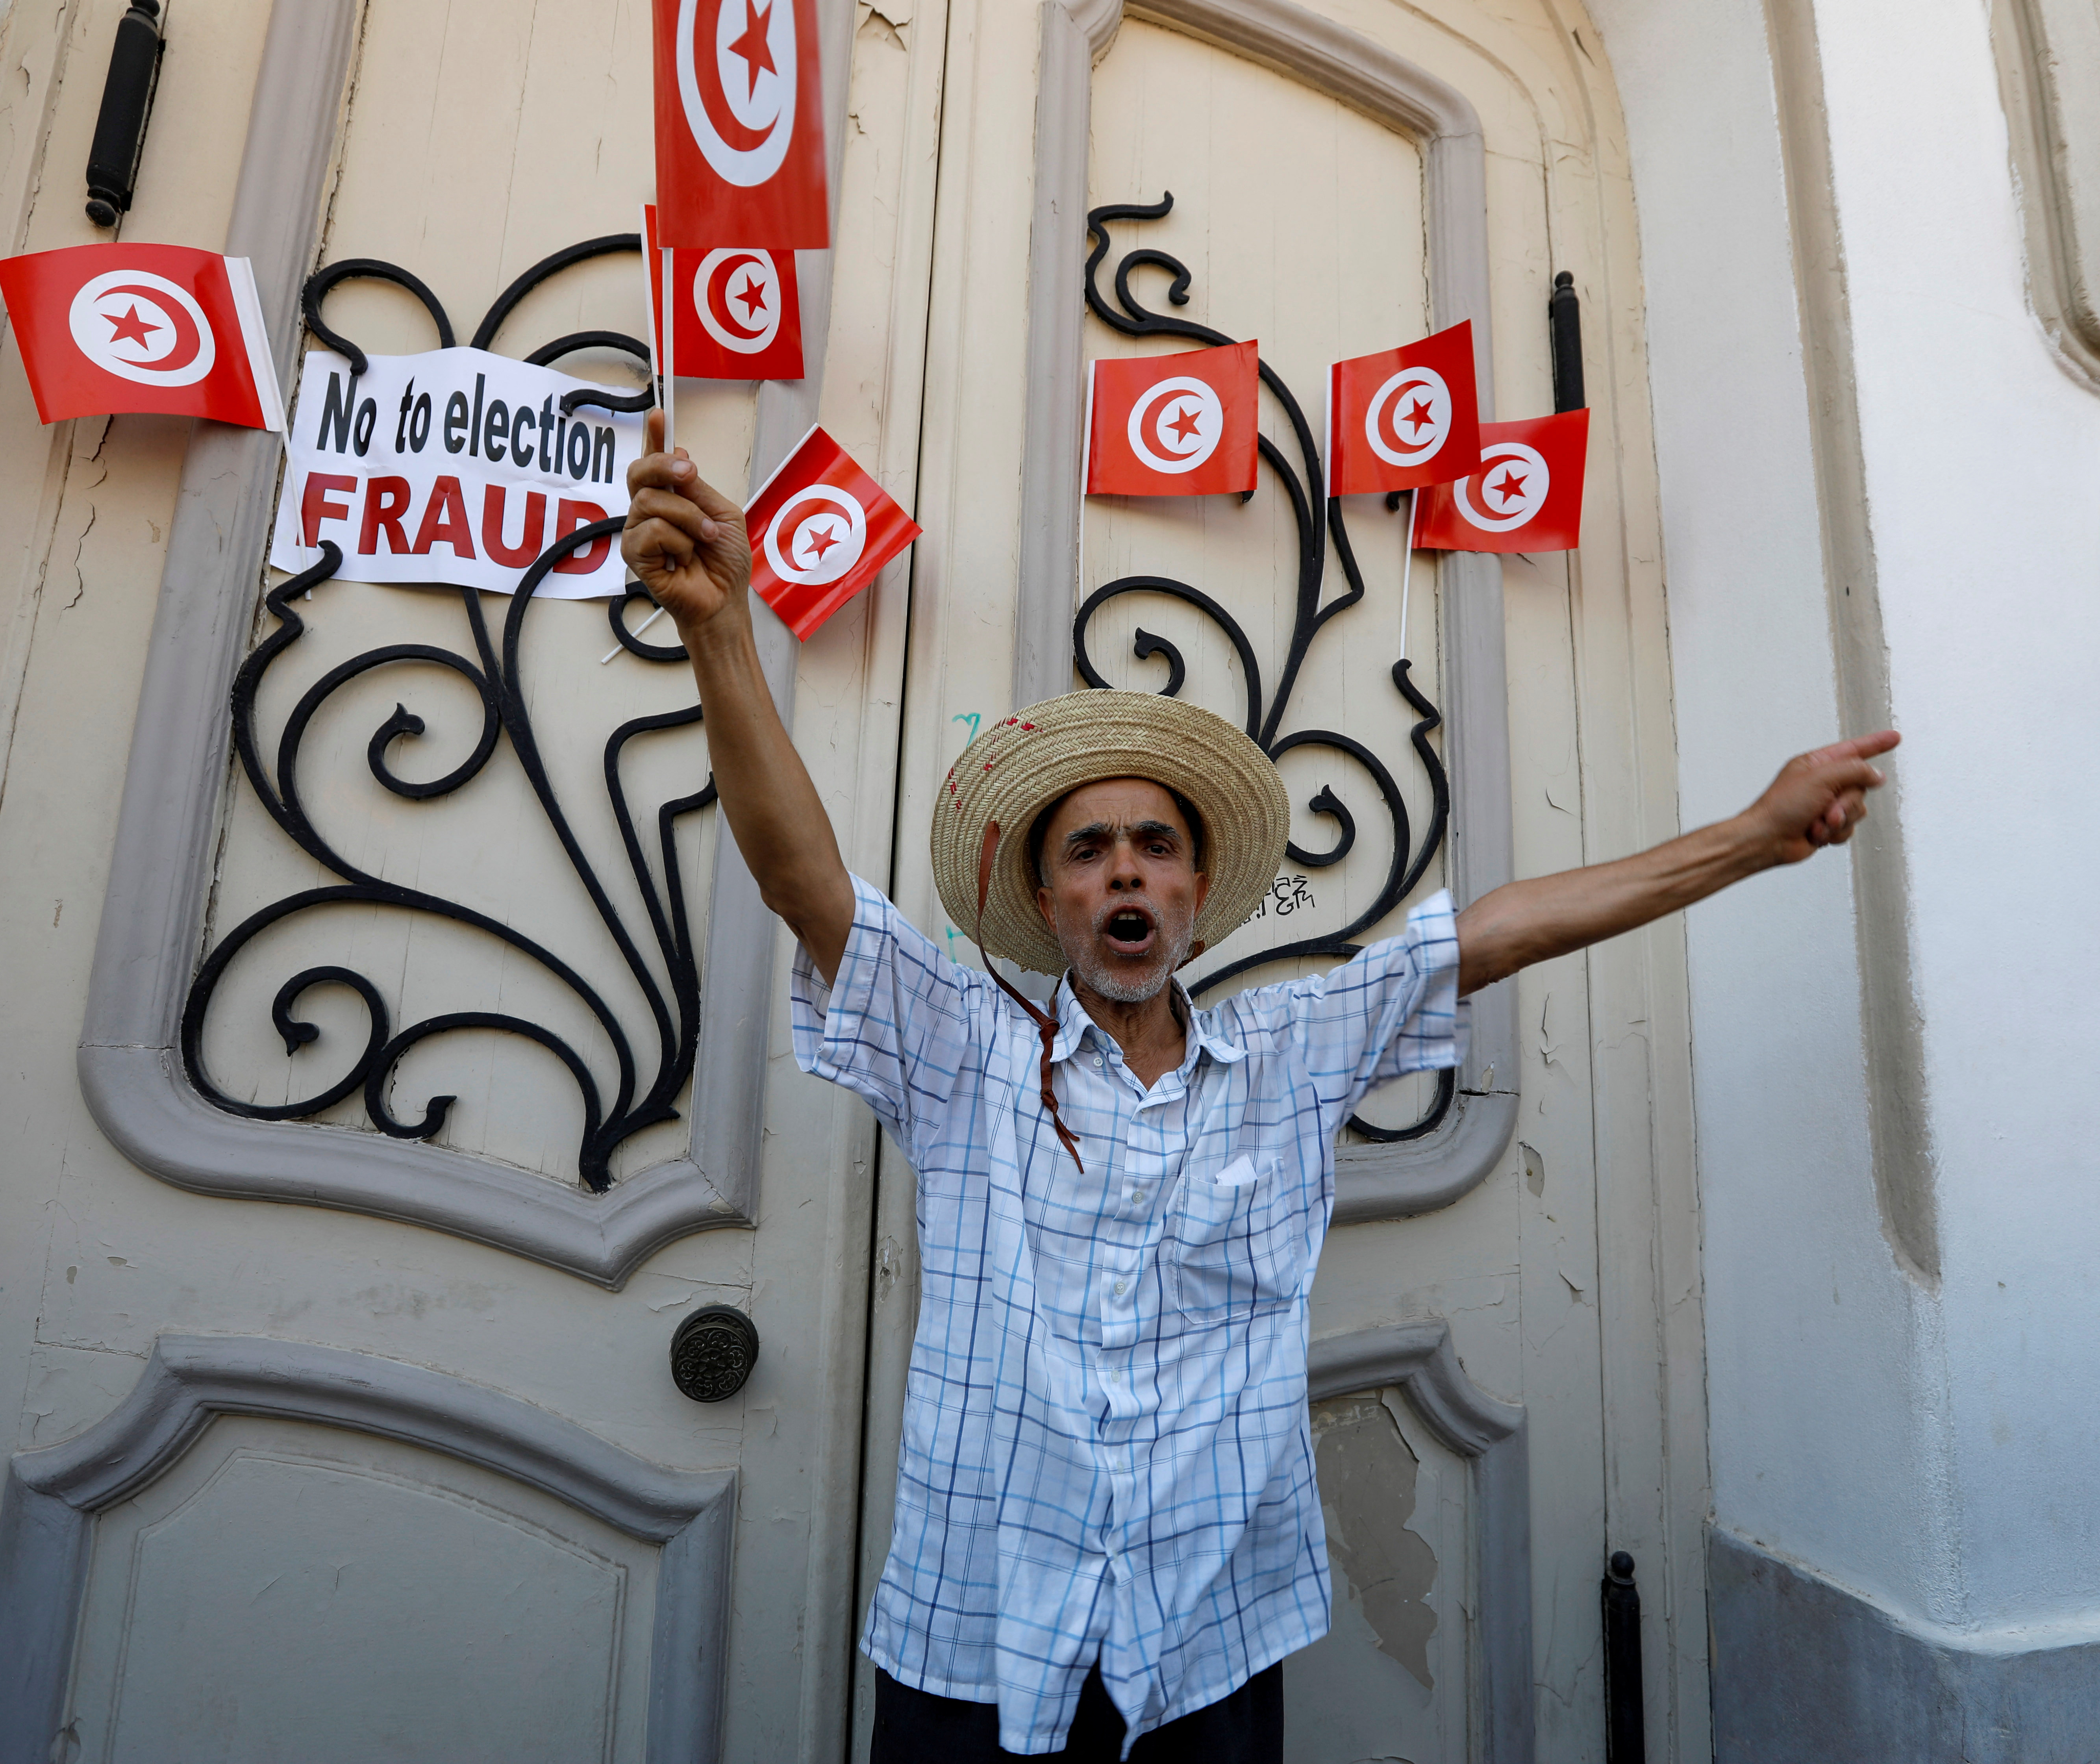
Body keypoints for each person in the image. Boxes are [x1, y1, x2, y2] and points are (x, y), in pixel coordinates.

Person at [620, 422, 1897, 1763]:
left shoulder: (1295, 1050)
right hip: (974, 1638)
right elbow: (800, 879)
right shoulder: (960, 1051)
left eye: (1155, 847)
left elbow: (1501, 928)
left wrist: (1750, 841)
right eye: (1091, 851)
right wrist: (719, 630)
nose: (1125, 873)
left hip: (1209, 1645)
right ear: (1050, 901)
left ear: (1194, 896)